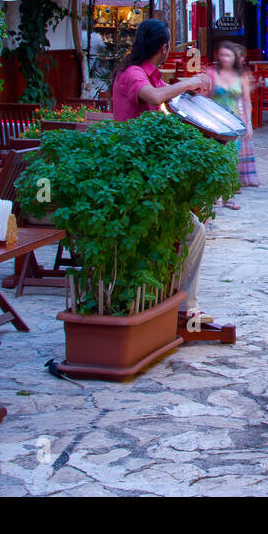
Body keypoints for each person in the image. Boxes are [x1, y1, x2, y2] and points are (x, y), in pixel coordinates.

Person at [111, 19, 214, 322]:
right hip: (136, 171)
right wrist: (188, 82)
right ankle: (183, 305)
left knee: (189, 229)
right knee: (192, 230)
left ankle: (178, 301)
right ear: (163, 47)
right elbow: (156, 97)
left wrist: (188, 85)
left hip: (148, 168)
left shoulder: (145, 73)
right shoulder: (133, 75)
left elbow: (165, 92)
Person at [206, 41, 258, 205]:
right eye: (221, 54)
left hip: (234, 122)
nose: (224, 58)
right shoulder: (211, 73)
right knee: (215, 156)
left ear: (234, 57)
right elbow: (204, 97)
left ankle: (227, 195)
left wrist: (248, 124)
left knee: (231, 158)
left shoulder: (241, 76)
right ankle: (215, 193)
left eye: (227, 55)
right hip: (215, 121)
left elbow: (247, 100)